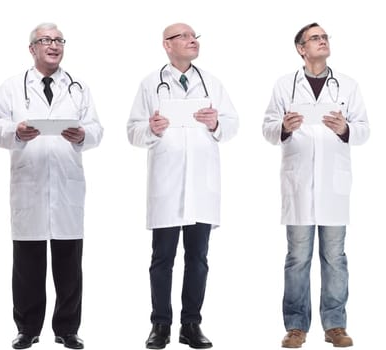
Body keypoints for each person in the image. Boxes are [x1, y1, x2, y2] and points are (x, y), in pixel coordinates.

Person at [0, 22, 103, 350]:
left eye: (58, 40)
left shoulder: (78, 87)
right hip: (30, 185)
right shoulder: (12, 87)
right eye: (46, 40)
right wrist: (15, 132)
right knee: (27, 265)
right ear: (32, 48)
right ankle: (27, 329)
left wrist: (84, 135)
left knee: (69, 265)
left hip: (67, 187)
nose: (54, 45)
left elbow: (96, 128)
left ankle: (67, 329)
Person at [126, 22, 238, 350]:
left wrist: (216, 122)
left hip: (202, 186)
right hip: (167, 184)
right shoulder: (151, 85)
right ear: (167, 44)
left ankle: (191, 325)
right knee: (162, 259)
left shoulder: (211, 83)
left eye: (194, 37)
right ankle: (160, 325)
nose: (192, 41)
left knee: (198, 258)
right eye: (184, 37)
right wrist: (152, 128)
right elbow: (132, 131)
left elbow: (232, 124)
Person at [262, 22, 369, 349]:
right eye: (315, 38)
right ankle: (296, 326)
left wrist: (345, 129)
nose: (322, 41)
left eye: (324, 37)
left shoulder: (347, 86)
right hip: (298, 185)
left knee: (335, 258)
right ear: (301, 48)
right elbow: (267, 129)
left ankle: (335, 325)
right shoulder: (284, 86)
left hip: (333, 187)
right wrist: (283, 126)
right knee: (297, 258)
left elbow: (364, 130)